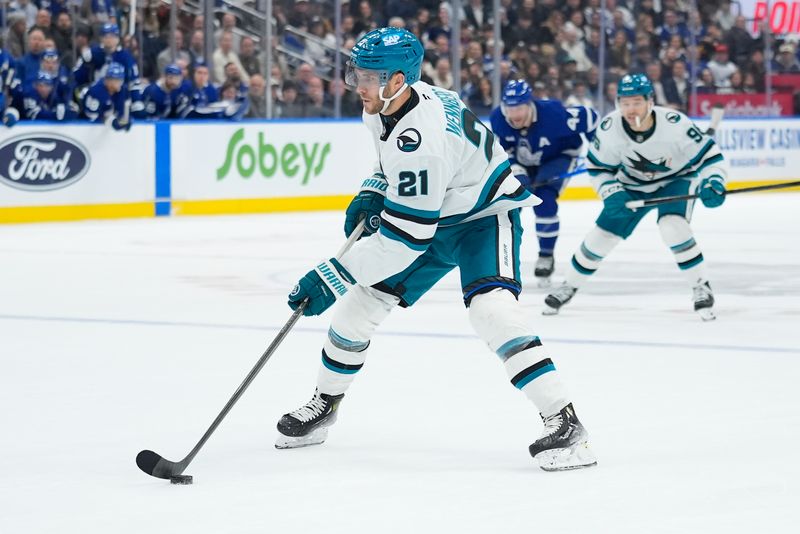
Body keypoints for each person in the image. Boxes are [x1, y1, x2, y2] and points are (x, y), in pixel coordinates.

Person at [276, 27, 597, 472]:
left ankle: (564, 421)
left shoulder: (420, 139)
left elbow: (406, 238)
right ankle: (325, 406)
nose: (358, 86)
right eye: (357, 74)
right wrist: (373, 190)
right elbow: (390, 162)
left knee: (493, 313)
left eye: (369, 77)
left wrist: (333, 273)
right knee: (357, 309)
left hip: (483, 218)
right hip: (432, 211)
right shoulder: (393, 102)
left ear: (398, 81)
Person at [543, 74, 728, 321]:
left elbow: (711, 159)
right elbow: (599, 169)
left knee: (672, 226)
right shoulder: (609, 129)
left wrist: (713, 181)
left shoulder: (674, 123)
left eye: (636, 102)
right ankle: (569, 285)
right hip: (630, 186)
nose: (630, 109)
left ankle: (700, 286)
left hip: (676, 181)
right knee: (601, 237)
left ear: (650, 101)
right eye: (625, 103)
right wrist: (611, 193)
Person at [489, 79, 598, 286]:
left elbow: (591, 118)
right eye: (510, 109)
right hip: (521, 160)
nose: (514, 115)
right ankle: (504, 257)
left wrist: (598, 152)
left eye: (519, 108)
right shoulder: (498, 118)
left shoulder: (553, 113)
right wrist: (518, 172)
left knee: (545, 198)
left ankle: (546, 256)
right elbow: (501, 151)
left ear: (530, 104)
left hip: (558, 157)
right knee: (511, 204)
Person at [81, 61, 132, 131]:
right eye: (117, 80)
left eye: (121, 80)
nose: (120, 83)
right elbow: (91, 115)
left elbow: (122, 114)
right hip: (86, 128)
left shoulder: (123, 90)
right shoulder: (96, 91)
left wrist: (123, 122)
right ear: (108, 80)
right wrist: (110, 120)